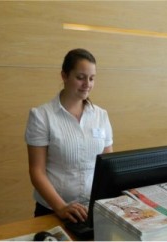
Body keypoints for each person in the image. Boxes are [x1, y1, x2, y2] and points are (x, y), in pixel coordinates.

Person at [25, 48, 113, 223]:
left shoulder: (101, 115)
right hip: (52, 210)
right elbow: (37, 172)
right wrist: (61, 207)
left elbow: (108, 164)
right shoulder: (41, 116)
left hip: (92, 209)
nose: (87, 84)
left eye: (92, 78)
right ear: (64, 76)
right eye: (80, 77)